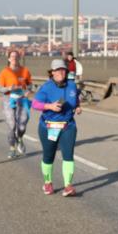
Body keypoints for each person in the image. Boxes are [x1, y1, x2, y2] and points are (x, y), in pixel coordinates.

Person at [31, 59, 81, 196]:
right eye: (57, 70)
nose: (61, 72)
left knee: (68, 155)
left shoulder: (71, 85)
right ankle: (48, 183)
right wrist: (50, 106)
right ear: (52, 72)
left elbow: (75, 98)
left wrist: (77, 107)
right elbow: (35, 104)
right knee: (48, 156)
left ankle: (68, 186)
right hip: (49, 126)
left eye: (63, 70)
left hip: (68, 125)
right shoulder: (46, 87)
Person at [0, 50, 33, 158]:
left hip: (22, 99)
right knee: (12, 125)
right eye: (12, 57)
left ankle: (20, 138)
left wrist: (28, 91)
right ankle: (12, 149)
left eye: (16, 56)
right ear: (9, 59)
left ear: (19, 58)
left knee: (22, 125)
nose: (14, 58)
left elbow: (30, 84)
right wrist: (9, 88)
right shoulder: (5, 72)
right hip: (9, 99)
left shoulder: (25, 71)